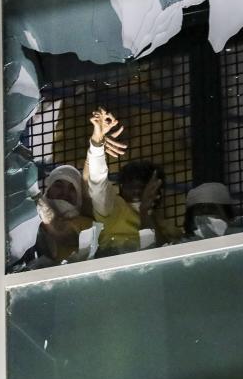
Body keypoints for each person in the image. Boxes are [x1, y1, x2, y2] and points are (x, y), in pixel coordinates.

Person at [86, 107, 178, 253]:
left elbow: (161, 256)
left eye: (142, 187)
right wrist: (97, 143)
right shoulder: (112, 209)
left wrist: (145, 213)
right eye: (131, 187)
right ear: (121, 188)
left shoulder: (168, 228)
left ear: (156, 190)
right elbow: (98, 183)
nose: (136, 192)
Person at [33, 165, 94, 264]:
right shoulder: (32, 220)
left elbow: (61, 233)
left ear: (79, 197)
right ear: (48, 190)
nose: (65, 193)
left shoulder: (87, 224)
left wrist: (33, 195)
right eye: (58, 186)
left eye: (72, 189)